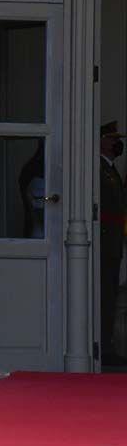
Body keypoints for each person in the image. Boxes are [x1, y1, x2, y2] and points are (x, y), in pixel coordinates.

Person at [99, 122, 125, 366]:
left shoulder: (111, 170)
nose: (118, 143)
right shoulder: (99, 169)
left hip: (113, 241)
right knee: (105, 294)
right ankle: (103, 347)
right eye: (113, 138)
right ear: (103, 141)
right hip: (105, 241)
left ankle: (107, 345)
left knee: (110, 293)